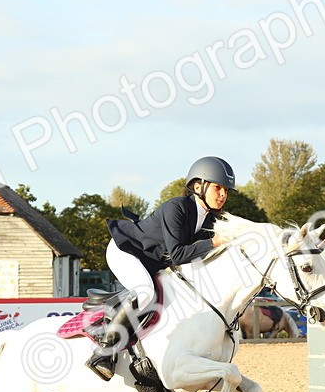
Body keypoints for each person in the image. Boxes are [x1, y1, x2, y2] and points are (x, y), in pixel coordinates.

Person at [86, 155, 235, 379]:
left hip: (150, 262)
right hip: (125, 250)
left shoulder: (210, 220)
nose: (223, 195)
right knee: (145, 292)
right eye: (218, 188)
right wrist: (214, 242)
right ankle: (104, 351)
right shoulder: (176, 207)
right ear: (198, 186)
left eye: (226, 190)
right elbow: (177, 254)